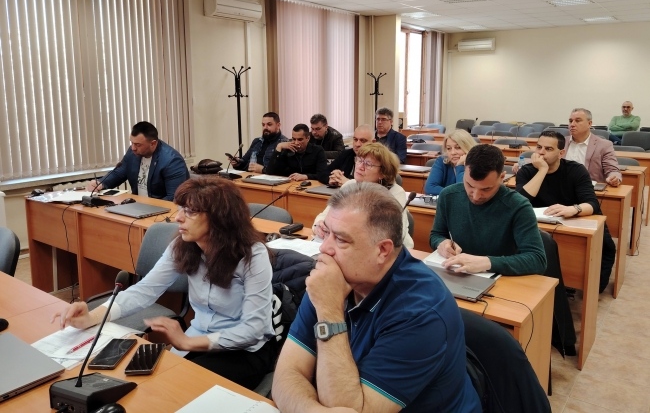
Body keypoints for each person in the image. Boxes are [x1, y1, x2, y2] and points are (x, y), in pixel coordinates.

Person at [272, 182, 481, 413]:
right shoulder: (331, 280)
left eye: (341, 240)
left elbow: (352, 409)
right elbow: (287, 373)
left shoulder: (420, 311)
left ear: (382, 250)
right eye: (326, 233)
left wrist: (329, 312)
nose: (324, 249)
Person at [54, 178, 276, 389]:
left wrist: (187, 343)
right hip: (196, 337)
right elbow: (144, 291)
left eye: (190, 211)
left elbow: (253, 329)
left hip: (243, 350)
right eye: (180, 209)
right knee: (153, 383)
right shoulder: (183, 245)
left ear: (220, 217)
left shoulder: (252, 255)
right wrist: (92, 317)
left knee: (177, 388)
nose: (178, 217)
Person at [516, 130, 617, 294]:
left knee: (606, 246)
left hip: (573, 219)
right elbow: (520, 201)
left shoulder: (576, 170)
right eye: (539, 147)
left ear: (561, 153)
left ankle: (592, 287)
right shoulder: (527, 171)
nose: (541, 152)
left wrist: (573, 209)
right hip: (540, 223)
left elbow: (592, 204)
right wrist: (542, 171)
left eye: (548, 149)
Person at [430, 144, 546, 276]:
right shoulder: (448, 196)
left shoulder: (518, 206)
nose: (476, 196)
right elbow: (436, 235)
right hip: (456, 272)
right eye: (469, 185)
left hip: (500, 279)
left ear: (502, 177)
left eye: (486, 189)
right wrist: (441, 243)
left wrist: (487, 262)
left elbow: (537, 260)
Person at [312, 142, 414, 249]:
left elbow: (396, 234)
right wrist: (318, 225)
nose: (360, 167)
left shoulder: (395, 192)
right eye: (359, 160)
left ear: (383, 173)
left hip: (388, 251)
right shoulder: (349, 185)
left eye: (368, 164)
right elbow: (325, 215)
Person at [85, 121, 189, 201]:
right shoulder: (133, 153)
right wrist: (100, 183)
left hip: (160, 212)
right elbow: (119, 173)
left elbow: (174, 198)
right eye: (132, 143)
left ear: (153, 144)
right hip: (138, 206)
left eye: (138, 145)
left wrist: (150, 208)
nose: (133, 148)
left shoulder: (172, 161)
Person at [567, 108, 622, 186]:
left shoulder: (604, 145)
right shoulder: (561, 142)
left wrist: (614, 178)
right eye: (570, 121)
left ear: (589, 123)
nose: (572, 124)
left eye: (578, 121)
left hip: (588, 189)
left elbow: (612, 170)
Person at [424, 129, 477, 195]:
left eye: (458, 147)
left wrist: (460, 166)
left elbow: (463, 192)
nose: (453, 153)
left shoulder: (476, 166)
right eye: (449, 148)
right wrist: (453, 195)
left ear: (468, 148)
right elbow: (430, 188)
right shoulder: (441, 161)